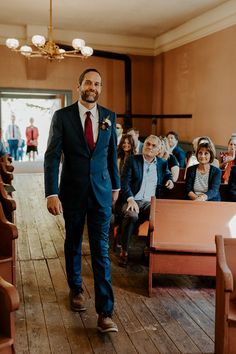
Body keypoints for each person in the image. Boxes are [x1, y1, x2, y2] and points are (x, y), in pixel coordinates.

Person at [44, 68, 120, 333]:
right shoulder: (62, 117)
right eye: (88, 82)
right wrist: (51, 192)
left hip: (101, 191)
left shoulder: (109, 116)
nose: (93, 87)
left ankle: (105, 312)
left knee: (101, 249)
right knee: (73, 240)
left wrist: (116, 187)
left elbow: (111, 156)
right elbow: (52, 156)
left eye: (97, 83)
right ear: (79, 86)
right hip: (72, 191)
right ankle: (76, 288)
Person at [118, 135, 174, 267]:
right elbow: (124, 183)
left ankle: (148, 249)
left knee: (157, 216)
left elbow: (167, 174)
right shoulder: (132, 160)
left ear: (159, 149)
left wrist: (170, 180)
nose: (150, 147)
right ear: (144, 145)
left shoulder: (162, 163)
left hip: (150, 202)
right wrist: (130, 200)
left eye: (154, 146)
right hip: (133, 199)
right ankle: (124, 251)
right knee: (131, 215)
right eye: (148, 144)